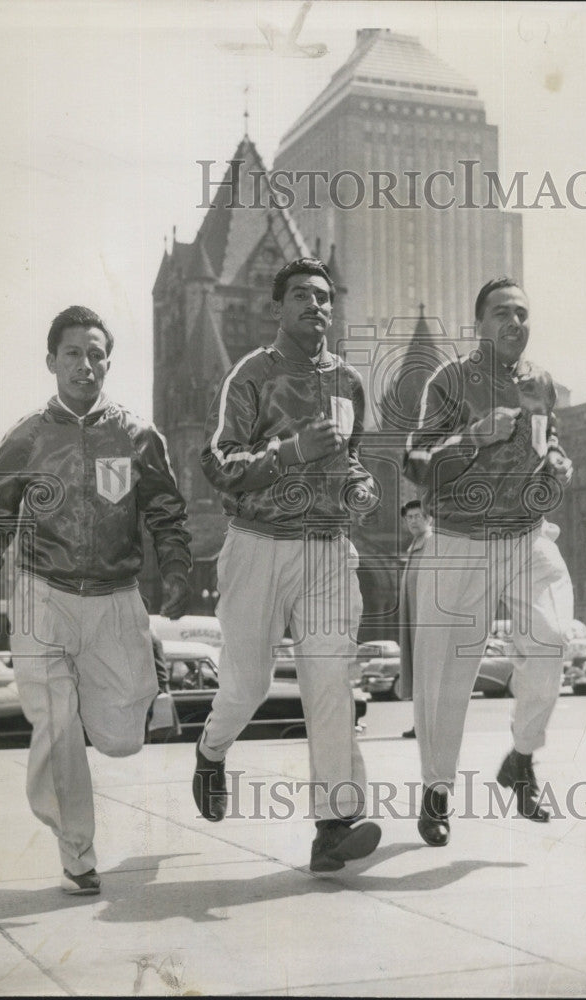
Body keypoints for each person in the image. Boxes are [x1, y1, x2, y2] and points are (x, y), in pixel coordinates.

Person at [0, 305, 192, 894]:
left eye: (95, 354)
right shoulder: (27, 438)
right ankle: (77, 853)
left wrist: (178, 568)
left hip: (116, 598)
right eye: (73, 354)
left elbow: (165, 511)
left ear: (107, 361)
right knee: (57, 726)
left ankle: (148, 690)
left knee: (120, 738)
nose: (85, 366)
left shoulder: (138, 435)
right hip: (43, 596)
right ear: (51, 362)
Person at [196, 257, 382, 873]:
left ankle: (333, 827)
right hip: (259, 543)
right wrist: (290, 451)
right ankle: (212, 751)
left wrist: (359, 487)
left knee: (330, 684)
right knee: (247, 684)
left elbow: (350, 459)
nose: (316, 305)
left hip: (328, 547)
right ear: (276, 309)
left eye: (325, 296)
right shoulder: (250, 375)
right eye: (301, 295)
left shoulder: (350, 383)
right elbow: (221, 465)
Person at [403, 277, 574, 846]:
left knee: (552, 639)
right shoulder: (450, 381)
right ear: (479, 324)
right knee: (447, 675)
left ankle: (520, 760)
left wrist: (557, 468)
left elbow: (550, 449)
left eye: (523, 313)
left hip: (525, 535)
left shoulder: (542, 383)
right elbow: (416, 461)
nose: (516, 323)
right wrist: (472, 438)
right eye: (503, 313)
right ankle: (436, 792)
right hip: (460, 539)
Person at [396, 499, 433, 739]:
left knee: (428, 672)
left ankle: (429, 724)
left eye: (417, 516)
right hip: (413, 619)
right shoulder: (415, 544)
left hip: (426, 620)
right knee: (418, 671)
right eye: (409, 517)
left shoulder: (432, 543)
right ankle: (420, 723)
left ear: (428, 518)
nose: (412, 521)